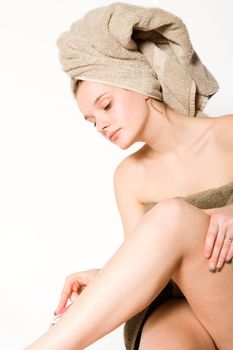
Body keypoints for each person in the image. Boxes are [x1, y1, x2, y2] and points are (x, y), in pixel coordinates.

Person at [25, 3, 233, 350]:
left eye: (105, 105)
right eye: (91, 121)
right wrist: (105, 279)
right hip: (188, 311)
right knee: (160, 336)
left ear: (138, 82)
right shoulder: (129, 176)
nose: (101, 124)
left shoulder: (228, 132)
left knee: (172, 214)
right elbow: (153, 270)